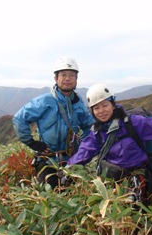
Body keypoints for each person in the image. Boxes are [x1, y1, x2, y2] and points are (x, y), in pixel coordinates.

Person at [67, 83, 152, 202]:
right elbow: (83, 153)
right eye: (96, 108)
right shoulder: (97, 134)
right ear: (92, 111)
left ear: (113, 105)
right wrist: (67, 170)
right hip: (115, 181)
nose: (101, 111)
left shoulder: (133, 123)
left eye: (105, 105)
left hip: (140, 177)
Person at [13, 56, 94, 189]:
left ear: (76, 79)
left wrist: (82, 146)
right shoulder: (45, 101)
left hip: (72, 161)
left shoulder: (78, 102)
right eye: (63, 75)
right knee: (49, 200)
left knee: (74, 198)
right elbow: (19, 119)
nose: (67, 78)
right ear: (56, 78)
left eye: (72, 75)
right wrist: (32, 143)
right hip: (48, 161)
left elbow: (89, 126)